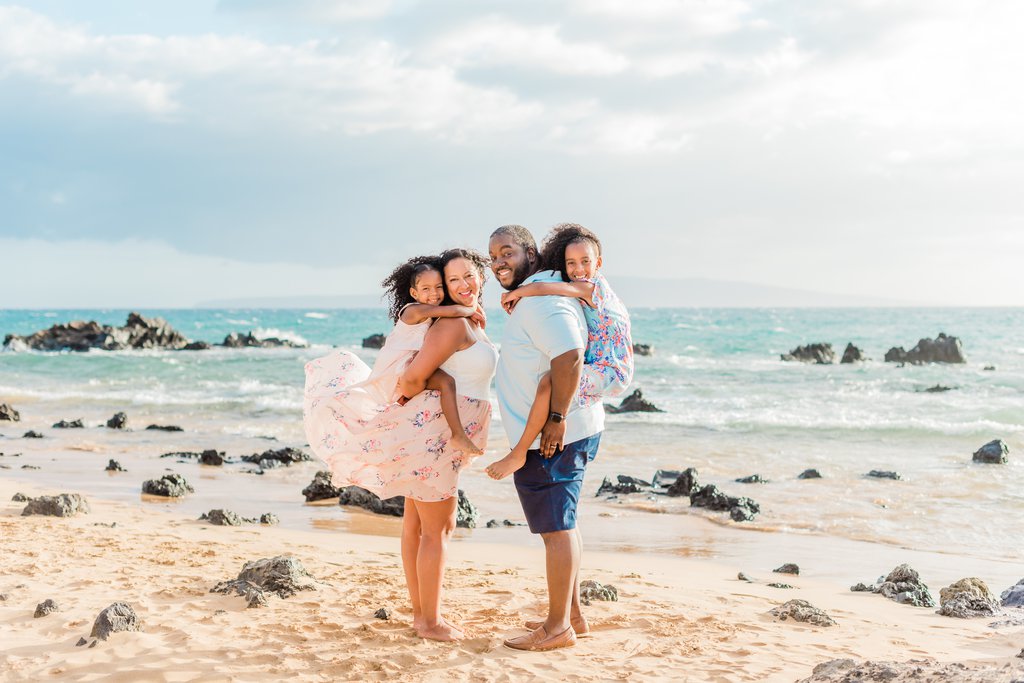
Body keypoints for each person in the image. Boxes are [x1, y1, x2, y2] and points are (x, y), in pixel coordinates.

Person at [303, 249, 497, 642]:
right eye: (452, 281)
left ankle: (423, 614)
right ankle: (429, 621)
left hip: (435, 431)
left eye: (466, 277)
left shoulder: (465, 321)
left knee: (417, 525)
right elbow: (411, 380)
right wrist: (414, 403)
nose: (461, 286)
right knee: (439, 529)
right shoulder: (453, 325)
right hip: (435, 435)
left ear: (481, 277)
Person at [488, 224, 605, 652]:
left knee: (556, 530)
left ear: (531, 253)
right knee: (563, 526)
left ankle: (557, 628)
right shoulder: (540, 294)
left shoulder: (542, 300)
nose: (498, 262)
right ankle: (571, 615)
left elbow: (570, 355)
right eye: (492, 256)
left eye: (507, 252)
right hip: (564, 430)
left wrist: (555, 418)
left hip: (553, 437)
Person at [485, 224, 631, 480]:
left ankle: (519, 452)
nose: (577, 270)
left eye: (585, 261)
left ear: (599, 263)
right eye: (571, 263)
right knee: (554, 380)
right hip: (603, 364)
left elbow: (547, 290)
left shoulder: (592, 287)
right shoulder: (582, 285)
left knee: (550, 381)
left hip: (612, 370)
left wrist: (557, 419)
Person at [364, 255, 486, 457]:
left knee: (444, 382)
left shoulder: (432, 312)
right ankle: (458, 435)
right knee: (447, 382)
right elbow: (455, 310)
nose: (434, 293)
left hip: (408, 364)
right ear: (414, 293)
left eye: (439, 287)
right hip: (399, 366)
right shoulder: (414, 310)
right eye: (426, 289)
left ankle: (407, 400)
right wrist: (474, 307)